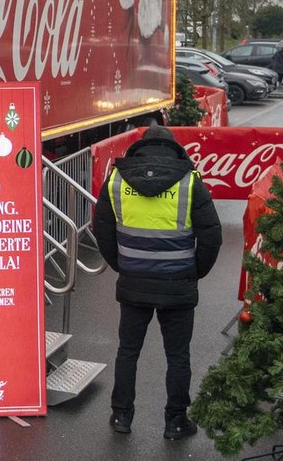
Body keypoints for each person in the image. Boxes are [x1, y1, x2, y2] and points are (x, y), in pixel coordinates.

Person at [92, 124, 222, 439]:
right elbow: (211, 236)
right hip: (177, 284)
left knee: (128, 351)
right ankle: (175, 421)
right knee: (177, 355)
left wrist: (123, 265)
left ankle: (121, 416)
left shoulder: (117, 180)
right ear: (174, 150)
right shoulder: (190, 182)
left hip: (133, 281)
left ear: (139, 149)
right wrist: (194, 272)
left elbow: (102, 228)